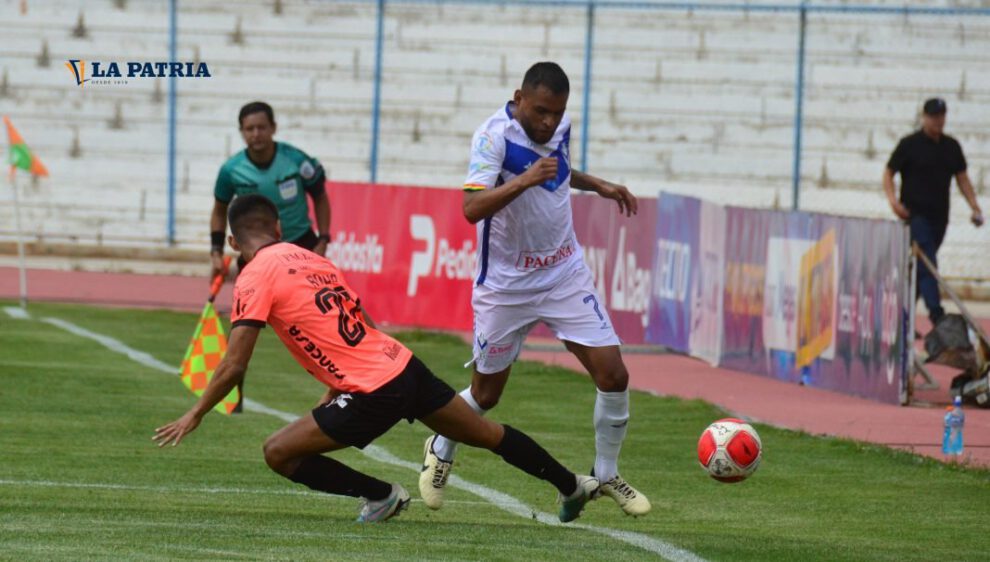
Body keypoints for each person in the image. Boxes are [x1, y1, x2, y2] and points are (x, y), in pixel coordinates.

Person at [154, 194, 598, 524]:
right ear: (276, 226)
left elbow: (234, 364)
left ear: (233, 240)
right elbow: (358, 318)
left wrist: (195, 413)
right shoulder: (312, 259)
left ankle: (383, 494)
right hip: (402, 365)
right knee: (487, 433)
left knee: (278, 453)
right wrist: (337, 374)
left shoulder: (253, 275)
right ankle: (570, 484)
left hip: (373, 389)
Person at [419, 62, 650, 516]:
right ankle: (441, 446)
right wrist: (523, 179)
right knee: (485, 396)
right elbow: (470, 208)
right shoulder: (493, 137)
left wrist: (595, 184)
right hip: (506, 284)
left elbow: (557, 170)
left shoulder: (561, 123)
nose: (549, 122)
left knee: (613, 374)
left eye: (557, 113)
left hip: (563, 272)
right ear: (519, 97)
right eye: (541, 111)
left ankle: (605, 473)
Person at [883, 97, 984, 328]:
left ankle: (901, 321)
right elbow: (888, 172)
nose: (938, 120)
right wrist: (892, 201)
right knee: (928, 261)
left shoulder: (951, 147)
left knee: (922, 268)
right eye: (933, 116)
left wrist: (974, 206)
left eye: (941, 116)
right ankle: (937, 315)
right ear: (924, 117)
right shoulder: (909, 144)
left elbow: (963, 179)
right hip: (914, 215)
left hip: (940, 217)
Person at [210, 101, 332, 280]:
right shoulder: (230, 170)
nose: (256, 134)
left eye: (261, 127)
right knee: (254, 306)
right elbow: (219, 212)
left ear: (273, 128)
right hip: (255, 250)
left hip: (300, 244)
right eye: (250, 129)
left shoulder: (296, 160)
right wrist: (216, 251)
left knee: (308, 304)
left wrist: (323, 240)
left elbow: (320, 197)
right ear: (242, 132)